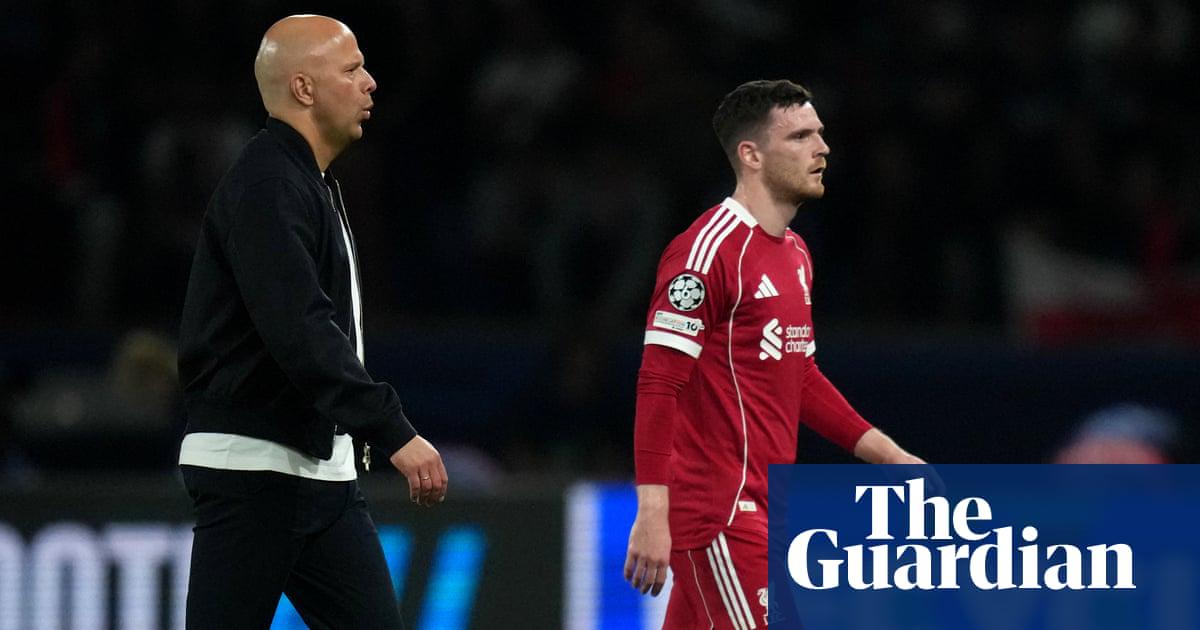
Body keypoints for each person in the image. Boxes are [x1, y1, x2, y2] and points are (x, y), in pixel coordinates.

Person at [176, 15, 447, 629]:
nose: (370, 83)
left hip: (318, 472)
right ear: (303, 88)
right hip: (254, 471)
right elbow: (300, 329)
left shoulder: (305, 181)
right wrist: (392, 429)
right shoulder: (269, 183)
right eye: (352, 70)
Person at [623, 80, 925, 628]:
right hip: (719, 514)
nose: (822, 148)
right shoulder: (706, 252)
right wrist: (652, 509)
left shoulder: (796, 255)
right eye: (800, 136)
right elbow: (659, 382)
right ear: (752, 155)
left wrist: (890, 456)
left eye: (820, 134)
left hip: (764, 510)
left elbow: (799, 375)